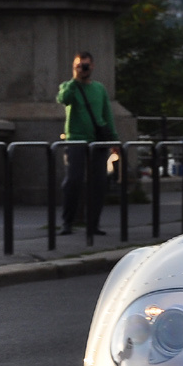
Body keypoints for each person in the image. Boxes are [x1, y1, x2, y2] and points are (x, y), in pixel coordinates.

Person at [57, 51, 118, 235]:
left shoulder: (99, 89)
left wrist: (114, 140)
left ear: (92, 66)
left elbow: (107, 114)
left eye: (86, 65)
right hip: (75, 139)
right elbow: (63, 99)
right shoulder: (69, 86)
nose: (83, 68)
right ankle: (68, 221)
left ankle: (93, 224)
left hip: (97, 141)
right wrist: (75, 80)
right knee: (73, 180)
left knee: (98, 183)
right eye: (79, 65)